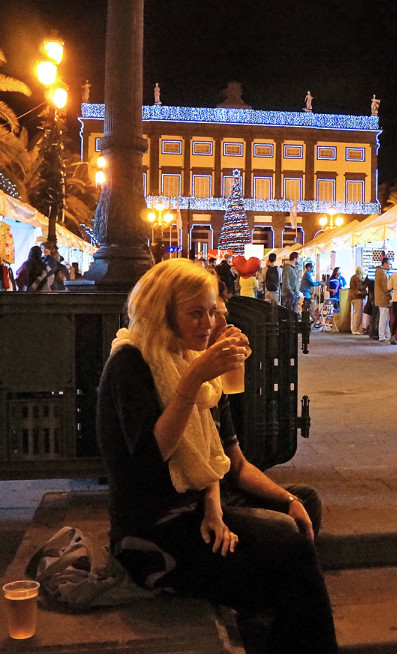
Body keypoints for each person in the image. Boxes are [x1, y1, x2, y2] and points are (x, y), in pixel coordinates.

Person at [95, 259, 338, 652]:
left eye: (212, 311)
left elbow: (222, 464)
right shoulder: (131, 363)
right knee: (289, 548)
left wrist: (220, 507)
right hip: (155, 528)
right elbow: (149, 461)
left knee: (303, 502)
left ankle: (267, 621)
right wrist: (194, 379)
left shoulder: (189, 359)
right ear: (162, 314)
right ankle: (283, 622)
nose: (208, 324)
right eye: (195, 313)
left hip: (199, 507)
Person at [210, 287, 322, 541]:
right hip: (203, 502)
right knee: (281, 527)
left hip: (225, 489)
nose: (225, 325)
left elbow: (236, 463)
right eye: (208, 313)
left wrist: (289, 499)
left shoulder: (216, 383)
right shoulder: (186, 377)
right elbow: (202, 471)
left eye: (217, 314)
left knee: (305, 500)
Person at [374, 257, 392, 342]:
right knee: (384, 318)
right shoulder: (382, 274)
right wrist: (391, 289)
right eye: (389, 264)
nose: (391, 266)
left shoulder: (379, 272)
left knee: (385, 318)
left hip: (380, 298)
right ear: (384, 264)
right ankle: (382, 336)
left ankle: (387, 335)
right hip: (383, 298)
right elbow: (386, 287)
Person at [349, 266, 368, 334]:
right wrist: (366, 283)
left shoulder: (353, 277)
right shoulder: (357, 278)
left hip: (353, 297)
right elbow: (360, 287)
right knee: (358, 314)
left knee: (356, 314)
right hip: (357, 297)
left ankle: (358, 329)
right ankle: (355, 329)